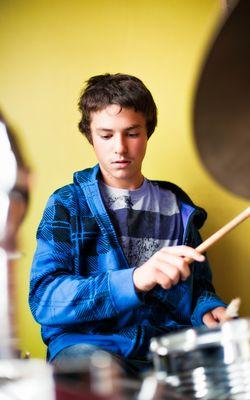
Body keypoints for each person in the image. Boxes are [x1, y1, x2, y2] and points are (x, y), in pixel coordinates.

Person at [29, 73, 226, 377]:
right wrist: (134, 280)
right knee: (96, 376)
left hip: (167, 347)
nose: (119, 148)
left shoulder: (177, 208)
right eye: (106, 135)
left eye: (132, 133)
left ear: (148, 132)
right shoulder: (67, 204)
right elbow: (45, 299)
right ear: (90, 136)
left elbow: (197, 286)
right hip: (91, 345)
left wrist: (208, 308)